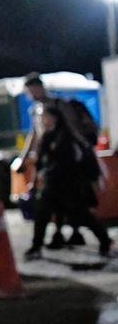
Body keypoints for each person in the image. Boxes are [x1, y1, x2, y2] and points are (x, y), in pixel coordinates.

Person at [25, 104, 110, 259]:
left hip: (68, 183)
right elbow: (40, 161)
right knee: (43, 214)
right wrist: (35, 180)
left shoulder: (66, 136)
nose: (43, 119)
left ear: (54, 117)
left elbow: (72, 160)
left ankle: (104, 240)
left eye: (46, 116)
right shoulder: (47, 137)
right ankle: (37, 245)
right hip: (51, 182)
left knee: (81, 214)